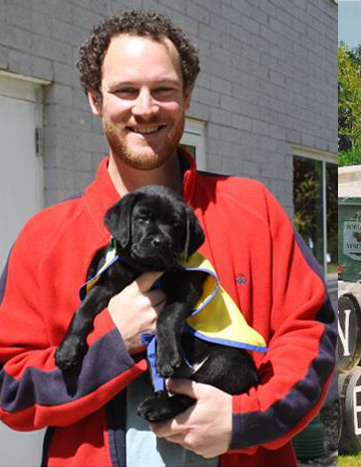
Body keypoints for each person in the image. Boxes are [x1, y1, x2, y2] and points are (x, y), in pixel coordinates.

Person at [0, 9, 336, 466]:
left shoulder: (250, 208)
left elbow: (311, 336)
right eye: (124, 91)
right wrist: (111, 342)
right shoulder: (45, 238)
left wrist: (244, 419)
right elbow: (12, 390)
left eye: (163, 90)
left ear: (188, 96)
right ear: (94, 99)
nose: (145, 108)